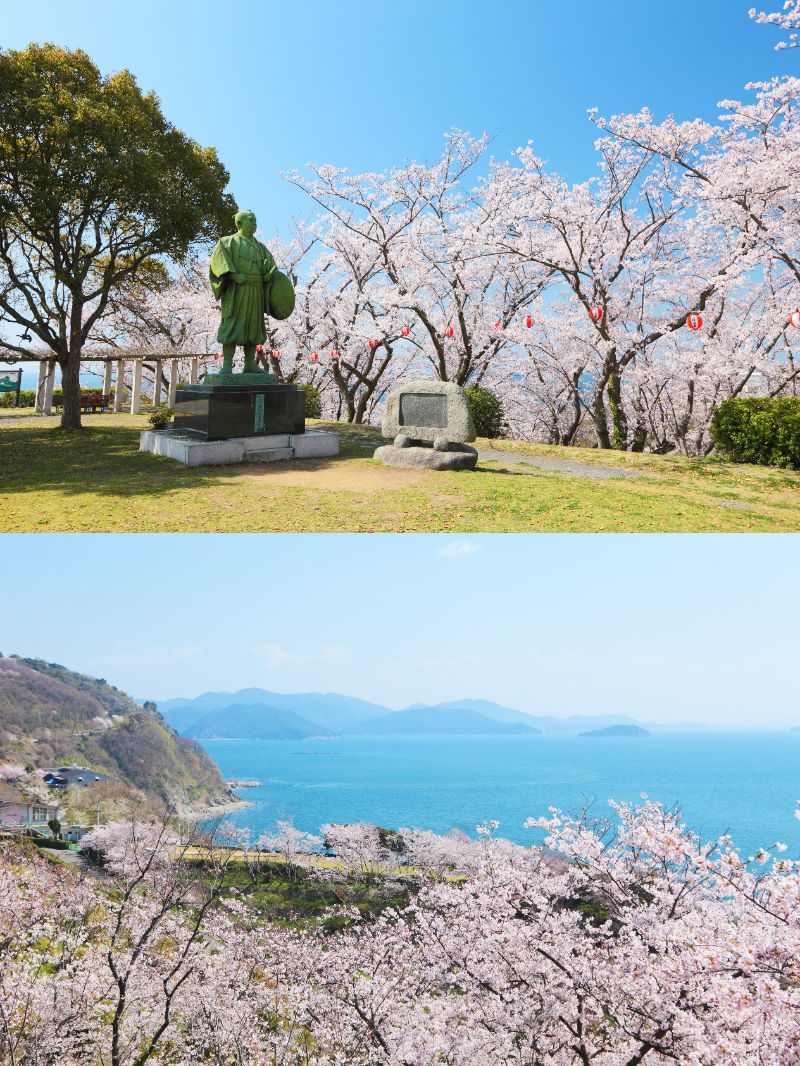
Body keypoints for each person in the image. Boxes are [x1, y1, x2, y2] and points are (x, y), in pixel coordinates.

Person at [208, 209, 276, 374]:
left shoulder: (260, 247)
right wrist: (233, 275)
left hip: (256, 290)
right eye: (251, 220)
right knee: (232, 325)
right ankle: (227, 365)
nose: (254, 224)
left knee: (254, 326)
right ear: (240, 223)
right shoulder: (227, 242)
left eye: (255, 221)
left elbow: (271, 265)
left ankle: (249, 364)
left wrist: (268, 274)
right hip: (236, 290)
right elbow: (218, 263)